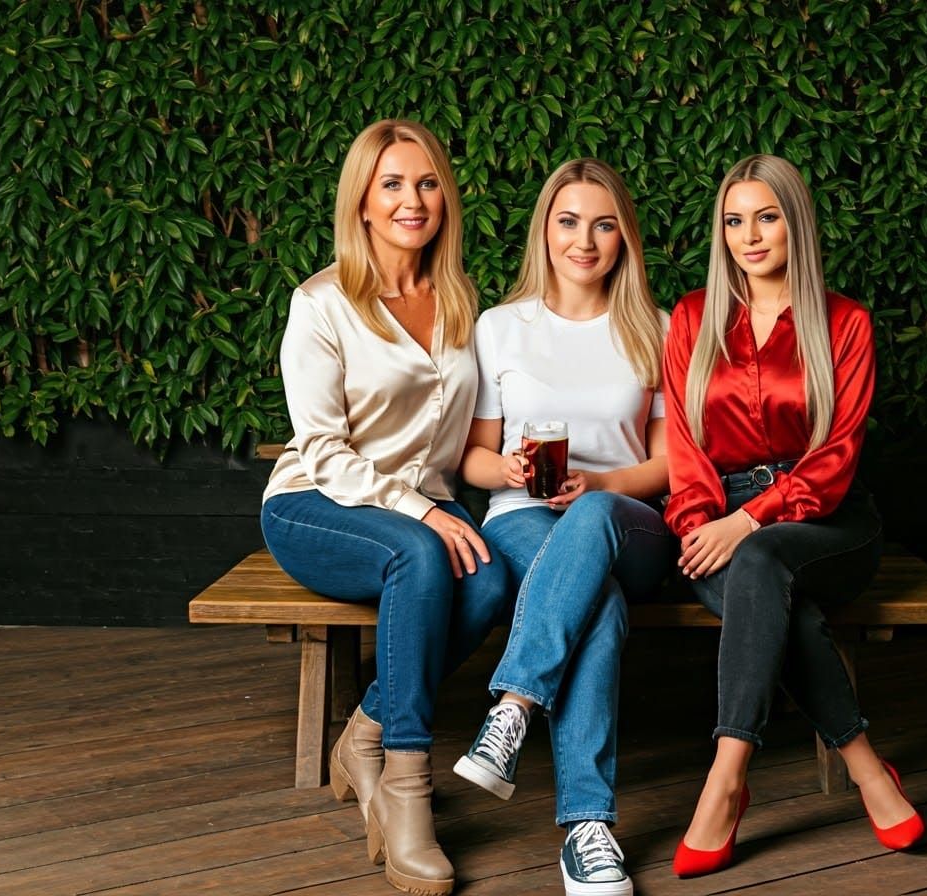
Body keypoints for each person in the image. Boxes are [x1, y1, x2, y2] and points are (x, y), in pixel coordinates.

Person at [259, 119, 510, 896]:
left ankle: (362, 732)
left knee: (497, 579)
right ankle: (406, 789)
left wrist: (503, 471)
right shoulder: (321, 304)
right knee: (423, 553)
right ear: (362, 202)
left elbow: (465, 439)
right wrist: (424, 513)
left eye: (428, 182)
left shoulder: (461, 301)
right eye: (393, 184)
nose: (413, 199)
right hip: (317, 503)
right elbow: (325, 451)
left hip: (422, 509)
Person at [662, 154, 925, 878]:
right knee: (776, 599)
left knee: (763, 559)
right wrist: (697, 523)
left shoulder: (846, 322)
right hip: (716, 518)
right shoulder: (692, 317)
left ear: (795, 223)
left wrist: (749, 522)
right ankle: (870, 770)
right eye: (734, 220)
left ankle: (724, 780)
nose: (750, 235)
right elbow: (683, 448)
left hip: (829, 521)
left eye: (767, 216)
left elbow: (837, 457)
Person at [453, 159, 675, 896]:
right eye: (569, 222)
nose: (585, 240)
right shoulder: (500, 328)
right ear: (544, 231)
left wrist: (602, 484)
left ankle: (512, 704)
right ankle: (589, 829)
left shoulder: (658, 328)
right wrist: (508, 472)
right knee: (598, 606)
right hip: (523, 519)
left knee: (599, 516)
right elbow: (475, 457)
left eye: (604, 224)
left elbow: (669, 465)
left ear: (624, 238)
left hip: (628, 520)